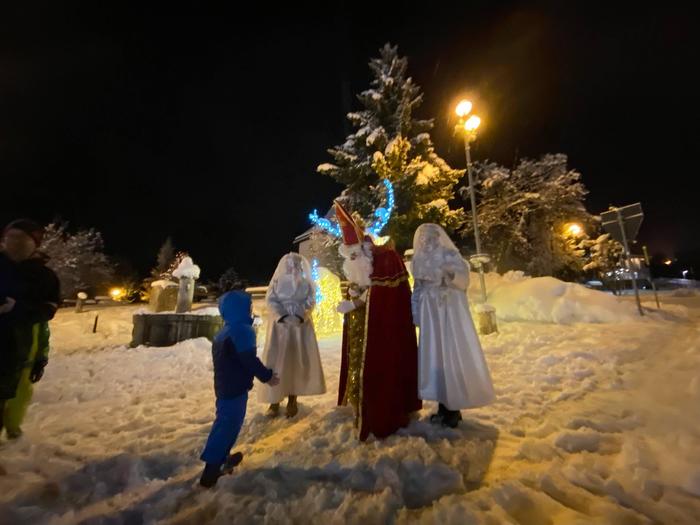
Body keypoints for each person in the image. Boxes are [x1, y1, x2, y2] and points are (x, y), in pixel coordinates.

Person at [335, 201, 421, 441]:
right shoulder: (360, 263)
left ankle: (379, 410)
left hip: (381, 331)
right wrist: (352, 294)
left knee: (378, 366)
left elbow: (381, 296)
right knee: (358, 366)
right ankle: (359, 404)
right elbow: (361, 283)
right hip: (360, 326)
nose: (352, 258)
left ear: (364, 249)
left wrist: (356, 302)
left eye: (355, 253)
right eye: (348, 254)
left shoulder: (384, 260)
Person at [411, 223, 495, 428]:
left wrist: (449, 276)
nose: (427, 241)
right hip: (430, 315)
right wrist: (415, 313)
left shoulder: (449, 255)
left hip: (448, 312)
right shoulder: (419, 260)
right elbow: (418, 288)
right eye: (423, 238)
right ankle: (443, 404)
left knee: (450, 354)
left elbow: (463, 279)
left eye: (430, 237)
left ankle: (453, 406)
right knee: (436, 356)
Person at [199, 290, 279, 488]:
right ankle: (211, 470)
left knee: (227, 424)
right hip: (234, 388)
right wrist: (267, 376)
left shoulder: (225, 330)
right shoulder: (242, 331)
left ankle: (222, 458)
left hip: (225, 385)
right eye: (248, 307)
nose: (250, 310)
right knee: (226, 427)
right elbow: (249, 360)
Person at [0, 219, 60, 438]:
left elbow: (47, 311)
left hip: (21, 349)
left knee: (14, 396)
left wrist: (18, 309)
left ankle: (12, 429)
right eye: (10, 238)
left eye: (21, 239)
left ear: (34, 244)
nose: (14, 243)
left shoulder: (44, 277)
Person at [259, 253, 325, 418]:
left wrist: (301, 315)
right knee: (277, 361)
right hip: (279, 328)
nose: (293, 268)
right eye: (290, 265)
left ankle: (292, 398)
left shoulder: (306, 283)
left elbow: (311, 300)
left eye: (296, 265)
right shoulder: (277, 282)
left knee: (295, 360)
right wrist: (280, 315)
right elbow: (271, 299)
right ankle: (274, 400)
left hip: (299, 327)